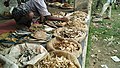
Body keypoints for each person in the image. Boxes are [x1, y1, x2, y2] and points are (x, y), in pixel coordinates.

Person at [4, 0, 68, 28]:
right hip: (17, 13)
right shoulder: (39, 1)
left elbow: (43, 13)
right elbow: (48, 17)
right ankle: (21, 24)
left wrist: (42, 21)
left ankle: (26, 23)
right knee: (30, 14)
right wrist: (61, 19)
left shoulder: (42, 2)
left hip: (22, 13)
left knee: (39, 14)